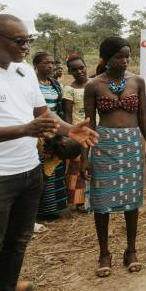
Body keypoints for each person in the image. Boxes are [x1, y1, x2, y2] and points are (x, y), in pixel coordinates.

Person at [0, 14, 97, 291]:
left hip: (29, 173)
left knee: (16, 245)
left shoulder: (22, 72)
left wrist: (71, 129)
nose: (26, 47)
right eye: (19, 41)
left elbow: (42, 114)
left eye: (28, 40)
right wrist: (25, 130)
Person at [82, 37, 146, 277]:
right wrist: (85, 156)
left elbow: (143, 115)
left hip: (131, 145)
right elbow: (88, 123)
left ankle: (130, 250)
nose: (124, 61)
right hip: (103, 146)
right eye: (118, 57)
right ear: (106, 59)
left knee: (132, 200)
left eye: (127, 56)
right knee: (102, 202)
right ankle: (104, 253)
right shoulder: (94, 85)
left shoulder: (138, 81)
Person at [33, 52, 68, 219]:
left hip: (55, 129)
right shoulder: (31, 83)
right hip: (38, 132)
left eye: (52, 63)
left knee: (54, 169)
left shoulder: (55, 84)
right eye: (46, 63)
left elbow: (58, 108)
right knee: (40, 172)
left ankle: (52, 208)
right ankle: (37, 212)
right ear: (36, 65)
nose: (51, 66)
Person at [62, 54, 89, 210]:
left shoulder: (95, 84)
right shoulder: (69, 89)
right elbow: (67, 114)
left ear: (86, 67)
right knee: (77, 166)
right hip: (79, 132)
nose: (79, 71)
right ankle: (79, 201)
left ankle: (94, 197)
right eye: (74, 70)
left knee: (94, 163)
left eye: (81, 67)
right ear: (70, 72)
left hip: (96, 129)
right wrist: (70, 133)